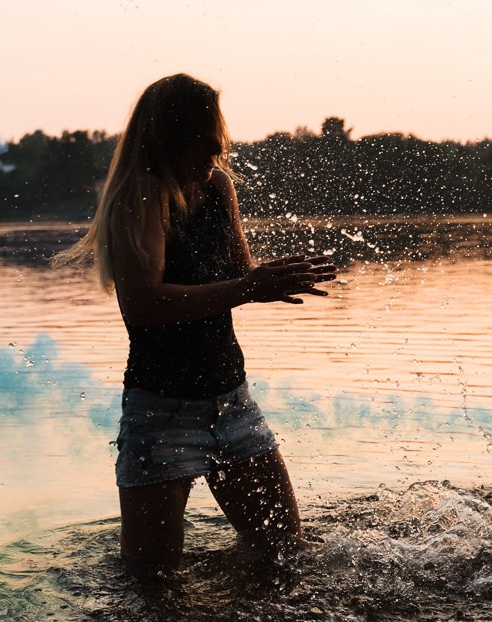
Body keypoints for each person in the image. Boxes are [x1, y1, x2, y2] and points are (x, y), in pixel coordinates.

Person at [53, 74, 336, 572]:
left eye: (217, 141)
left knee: (286, 560)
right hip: (161, 413)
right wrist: (250, 288)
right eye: (203, 142)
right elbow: (144, 305)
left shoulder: (218, 185)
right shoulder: (140, 195)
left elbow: (237, 275)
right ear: (168, 139)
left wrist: (276, 278)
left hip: (233, 403)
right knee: (151, 583)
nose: (215, 155)